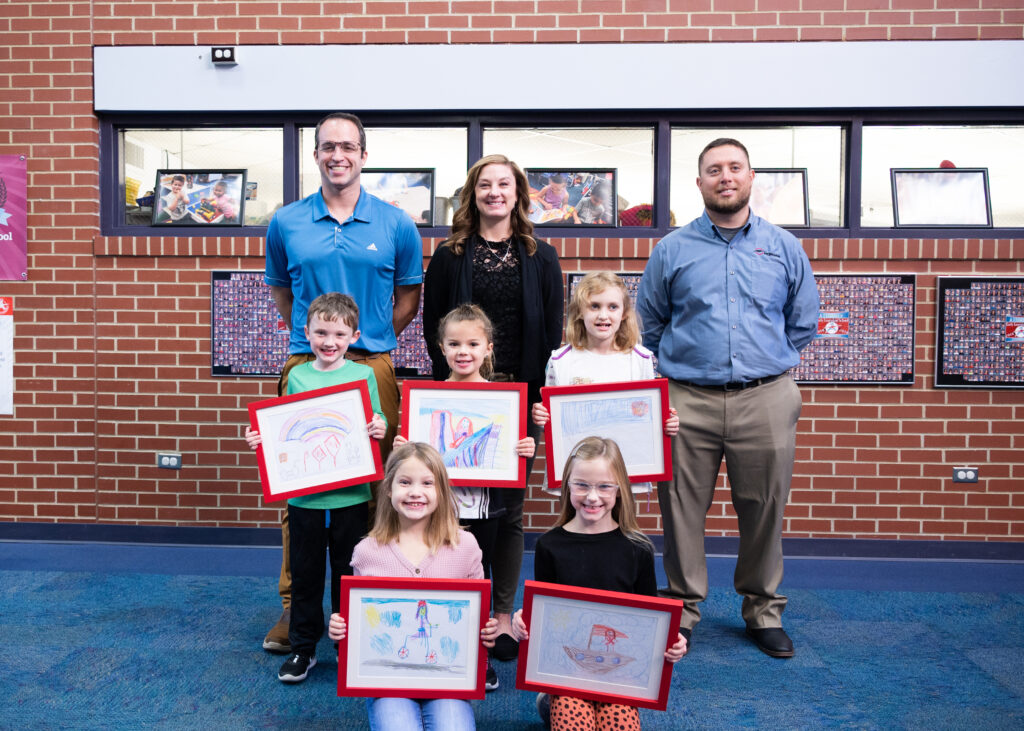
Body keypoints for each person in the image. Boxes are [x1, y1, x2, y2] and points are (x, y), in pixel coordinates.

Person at [635, 138, 819, 658]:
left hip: (765, 396)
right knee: (681, 509)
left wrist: (765, 361)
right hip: (684, 399)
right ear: (699, 183)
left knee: (764, 507)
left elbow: (802, 320)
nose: (725, 177)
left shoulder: (784, 246)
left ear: (750, 176)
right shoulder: (671, 249)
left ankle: (763, 611)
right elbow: (648, 324)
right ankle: (683, 609)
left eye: (734, 168)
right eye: (713, 170)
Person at [262, 111, 423, 655]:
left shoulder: (396, 223)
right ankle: (295, 609)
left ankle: (373, 602)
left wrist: (365, 342)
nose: (338, 155)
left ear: (363, 155)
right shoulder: (286, 221)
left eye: (348, 146)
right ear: (315, 155)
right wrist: (316, 343)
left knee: (377, 490)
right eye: (328, 146)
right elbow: (283, 294)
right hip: (306, 363)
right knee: (297, 491)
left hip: (372, 364)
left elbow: (408, 298)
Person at [422, 154, 563, 662]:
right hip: (459, 396)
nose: (495, 192)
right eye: (485, 184)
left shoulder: (542, 256)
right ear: (472, 193)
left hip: (517, 401)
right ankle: (453, 602)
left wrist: (537, 406)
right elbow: (433, 329)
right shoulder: (449, 255)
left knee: (508, 513)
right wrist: (447, 392)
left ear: (518, 193)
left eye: (504, 184)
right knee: (450, 505)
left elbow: (550, 335)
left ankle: (501, 617)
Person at [244, 293, 388, 682]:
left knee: (350, 571)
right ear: (305, 332)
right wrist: (261, 439)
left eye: (339, 334)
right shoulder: (298, 376)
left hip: (351, 494)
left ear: (354, 335)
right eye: (321, 332)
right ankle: (304, 648)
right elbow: (283, 429)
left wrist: (380, 427)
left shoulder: (364, 376)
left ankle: (348, 645)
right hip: (305, 495)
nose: (329, 341)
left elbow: (376, 420)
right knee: (305, 573)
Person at [394, 303, 536, 690]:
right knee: (440, 577)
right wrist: (404, 446)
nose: (463, 351)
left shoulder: (505, 403)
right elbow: (413, 462)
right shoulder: (428, 400)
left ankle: (478, 655)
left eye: (473, 343)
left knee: (479, 580)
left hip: (486, 510)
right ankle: (436, 650)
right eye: (454, 343)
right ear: (441, 348)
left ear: (488, 347)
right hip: (439, 513)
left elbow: (513, 455)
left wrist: (525, 449)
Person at [512, 437, 688, 730]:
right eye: (582, 485)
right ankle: (550, 704)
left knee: (619, 722)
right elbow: (545, 616)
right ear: (567, 486)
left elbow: (651, 622)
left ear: (620, 490)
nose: (592, 496)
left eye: (604, 486)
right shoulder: (549, 546)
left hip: (619, 680)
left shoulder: (638, 549)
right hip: (564, 679)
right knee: (573, 715)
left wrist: (672, 643)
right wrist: (524, 622)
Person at [327, 442, 500, 730]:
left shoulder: (466, 546)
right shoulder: (367, 551)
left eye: (427, 483)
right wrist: (342, 628)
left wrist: (486, 632)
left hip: (448, 680)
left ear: (442, 491)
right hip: (388, 681)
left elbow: (476, 619)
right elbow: (361, 624)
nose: (415, 492)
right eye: (404, 482)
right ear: (388, 489)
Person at [531, 271, 679, 494]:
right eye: (594, 306)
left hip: (626, 471)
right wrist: (542, 417)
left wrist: (663, 422)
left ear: (625, 313)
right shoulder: (561, 361)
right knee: (577, 526)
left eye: (612, 307)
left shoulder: (640, 360)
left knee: (619, 527)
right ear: (580, 312)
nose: (603, 315)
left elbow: (646, 415)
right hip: (576, 474)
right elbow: (552, 421)